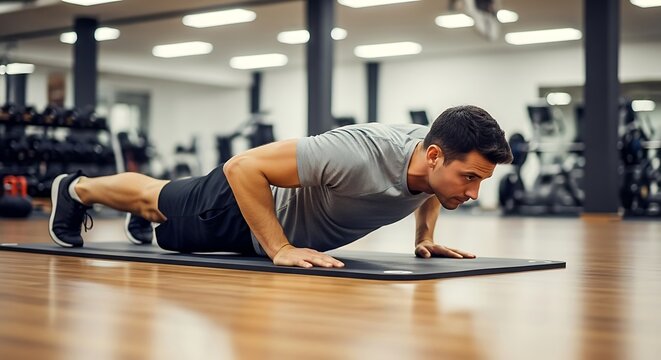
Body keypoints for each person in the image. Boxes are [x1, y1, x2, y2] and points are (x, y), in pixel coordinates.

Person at [48, 105, 512, 269]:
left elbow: (431, 188)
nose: (472, 194)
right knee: (154, 200)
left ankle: (139, 209)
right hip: (239, 206)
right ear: (434, 156)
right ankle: (75, 188)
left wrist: (424, 238)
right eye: (468, 178)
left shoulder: (432, 155)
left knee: (159, 202)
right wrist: (280, 248)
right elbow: (243, 167)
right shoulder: (354, 152)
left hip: (262, 224)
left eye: (480, 181)